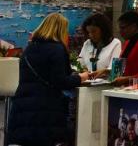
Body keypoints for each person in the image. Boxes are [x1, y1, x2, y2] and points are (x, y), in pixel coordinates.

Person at [7, 13, 90, 146]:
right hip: (46, 109)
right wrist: (80, 78)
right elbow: (60, 81)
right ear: (60, 30)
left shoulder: (29, 48)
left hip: (22, 106)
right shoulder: (57, 49)